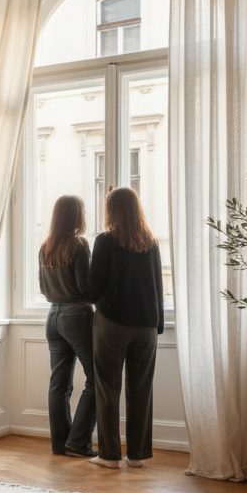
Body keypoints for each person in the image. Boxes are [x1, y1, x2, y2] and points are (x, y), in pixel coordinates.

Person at [88, 187, 165, 469]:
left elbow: (94, 286)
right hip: (146, 326)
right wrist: (158, 326)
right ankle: (137, 455)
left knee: (108, 389)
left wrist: (88, 294)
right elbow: (159, 288)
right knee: (141, 390)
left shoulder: (105, 242)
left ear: (112, 210)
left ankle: (109, 456)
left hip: (113, 324)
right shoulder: (152, 243)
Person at [38, 195, 98, 458]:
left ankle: (59, 444)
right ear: (77, 216)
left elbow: (42, 288)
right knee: (98, 381)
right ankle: (78, 443)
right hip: (77, 316)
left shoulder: (45, 247)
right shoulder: (80, 245)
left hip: (52, 317)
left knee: (59, 384)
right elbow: (86, 288)